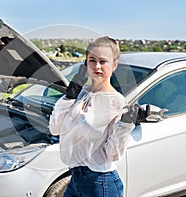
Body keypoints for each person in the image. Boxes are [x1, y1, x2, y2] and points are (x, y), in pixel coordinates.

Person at [49, 36, 139, 197]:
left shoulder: (116, 101)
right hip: (75, 178)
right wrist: (68, 98)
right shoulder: (80, 93)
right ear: (85, 64)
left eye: (103, 61)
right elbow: (55, 129)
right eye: (92, 60)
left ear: (114, 65)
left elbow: (112, 154)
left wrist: (125, 126)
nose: (97, 66)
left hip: (100, 183)